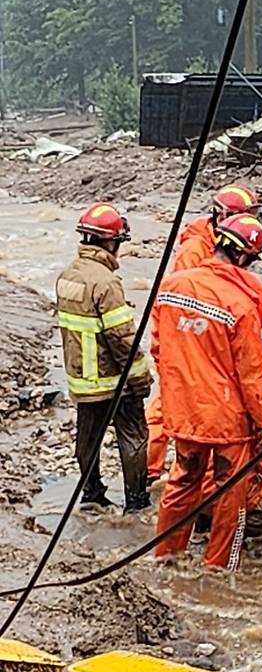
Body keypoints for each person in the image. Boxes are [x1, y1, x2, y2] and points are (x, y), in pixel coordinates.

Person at [152, 213, 262, 570]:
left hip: (183, 413)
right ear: (245, 257)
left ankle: (166, 557)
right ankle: (218, 568)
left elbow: (159, 349)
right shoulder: (240, 304)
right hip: (227, 421)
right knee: (231, 496)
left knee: (182, 482)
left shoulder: (171, 287)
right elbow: (254, 382)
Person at [146, 183, 260, 482]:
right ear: (219, 215)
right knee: (166, 407)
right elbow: (183, 300)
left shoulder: (223, 245)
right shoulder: (195, 250)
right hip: (189, 340)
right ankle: (149, 470)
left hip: (205, 336)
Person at [56, 203, 152, 512]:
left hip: (82, 380)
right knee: (133, 435)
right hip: (114, 380)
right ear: (111, 242)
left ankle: (91, 493)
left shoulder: (68, 275)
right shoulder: (106, 283)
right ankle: (136, 502)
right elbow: (122, 339)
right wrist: (140, 378)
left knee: (87, 436)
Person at [195, 332, 262, 537]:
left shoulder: (221, 383)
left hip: (196, 484)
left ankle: (204, 522)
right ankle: (235, 531)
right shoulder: (260, 403)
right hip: (227, 489)